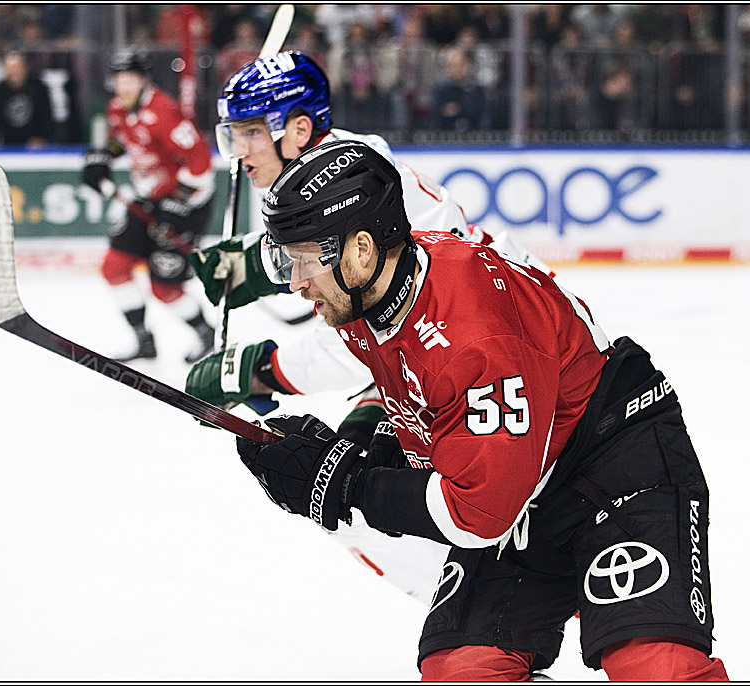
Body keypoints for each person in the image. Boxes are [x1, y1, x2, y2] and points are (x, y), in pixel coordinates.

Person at [230, 139, 729, 681]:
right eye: (287, 259)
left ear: (362, 249)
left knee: (656, 670)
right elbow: (424, 399)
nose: (295, 281)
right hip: (519, 476)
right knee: (461, 671)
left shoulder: (472, 336)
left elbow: (477, 515)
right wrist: (363, 447)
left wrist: (345, 483)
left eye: (304, 259)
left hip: (614, 465)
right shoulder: (369, 299)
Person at [184, 51, 546, 601]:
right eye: (231, 133)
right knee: (350, 482)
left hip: (495, 361)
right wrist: (258, 265)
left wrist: (258, 370)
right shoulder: (340, 171)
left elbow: (368, 339)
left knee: (359, 497)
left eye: (251, 132)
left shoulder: (356, 189)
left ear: (299, 130)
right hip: (448, 357)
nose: (237, 151)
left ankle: (491, 602)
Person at [80, 50, 217, 364]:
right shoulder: (118, 107)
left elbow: (201, 163)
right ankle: (144, 340)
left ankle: (205, 332)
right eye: (118, 80)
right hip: (150, 199)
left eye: (129, 79)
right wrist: (103, 158)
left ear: (145, 81)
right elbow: (123, 140)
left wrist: (176, 204)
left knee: (164, 287)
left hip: (187, 204)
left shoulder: (165, 113)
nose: (122, 86)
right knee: (114, 267)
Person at [0, 51, 53, 148]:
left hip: (35, 145)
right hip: (7, 145)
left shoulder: (38, 87)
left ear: (25, 68)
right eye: (10, 69)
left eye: (17, 68)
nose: (14, 72)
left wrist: (43, 138)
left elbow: (47, 117)